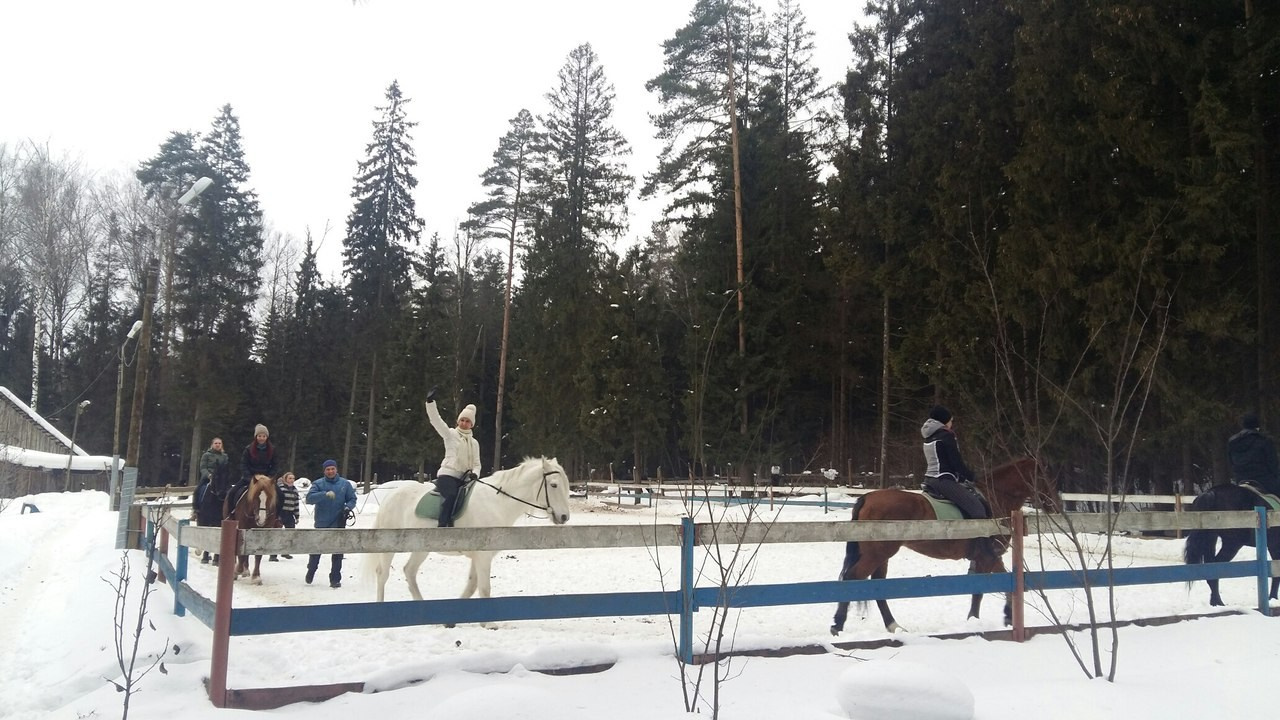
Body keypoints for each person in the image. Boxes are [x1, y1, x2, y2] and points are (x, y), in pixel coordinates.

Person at [425, 386, 481, 528]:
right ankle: (443, 525)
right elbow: (436, 421)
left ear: (472, 424)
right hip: (448, 476)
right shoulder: (450, 434)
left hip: (465, 478)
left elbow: (477, 463)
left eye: (467, 421)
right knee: (450, 496)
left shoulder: (474, 443)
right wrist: (430, 403)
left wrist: (475, 473)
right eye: (462, 420)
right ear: (458, 421)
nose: (464, 423)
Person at [920, 405, 988, 521]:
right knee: (977, 508)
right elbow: (956, 463)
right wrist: (972, 476)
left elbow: (944, 461)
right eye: (951, 421)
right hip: (943, 480)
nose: (952, 424)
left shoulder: (929, 436)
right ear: (944, 421)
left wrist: (960, 478)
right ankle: (978, 538)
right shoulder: (947, 436)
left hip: (930, 479)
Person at [306, 460, 356, 588]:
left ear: (336, 469)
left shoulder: (345, 484)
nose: (330, 471)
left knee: (338, 552)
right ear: (324, 471)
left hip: (339, 522)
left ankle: (335, 579)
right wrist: (324, 494)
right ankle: (311, 570)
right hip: (321, 522)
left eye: (332, 469)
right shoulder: (318, 483)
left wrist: (348, 507)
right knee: (317, 550)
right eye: (327, 469)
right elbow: (309, 498)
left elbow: (352, 499)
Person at [196, 437, 232, 565]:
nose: (217, 445)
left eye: (219, 443)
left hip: (221, 480)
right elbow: (203, 468)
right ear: (212, 444)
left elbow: (227, 469)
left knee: (229, 492)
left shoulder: (225, 456)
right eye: (216, 443)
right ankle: (197, 508)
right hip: (209, 479)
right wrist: (209, 475)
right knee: (199, 490)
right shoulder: (207, 455)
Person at [1229, 413, 1280, 496]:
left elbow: (1231, 462)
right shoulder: (1264, 441)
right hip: (1263, 480)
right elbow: (1273, 464)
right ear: (1257, 426)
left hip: (1240, 479)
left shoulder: (1232, 441)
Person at [232, 424, 277, 511]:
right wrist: (249, 477)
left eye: (264, 436)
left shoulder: (272, 449)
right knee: (233, 492)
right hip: (251, 478)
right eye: (259, 436)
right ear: (256, 437)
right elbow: (243, 464)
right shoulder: (248, 449)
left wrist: (269, 478)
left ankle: (277, 516)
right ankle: (231, 513)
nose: (261, 438)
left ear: (267, 437)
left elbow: (275, 465)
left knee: (281, 495)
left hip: (267, 479)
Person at [270, 471, 300, 562]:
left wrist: (297, 516)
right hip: (280, 513)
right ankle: (273, 555)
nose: (292, 480)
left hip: (290, 514)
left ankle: (285, 551)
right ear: (285, 479)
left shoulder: (294, 490)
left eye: (293, 478)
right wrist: (275, 515)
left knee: (290, 533)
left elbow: (296, 504)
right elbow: (275, 502)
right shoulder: (280, 489)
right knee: (277, 534)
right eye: (290, 478)